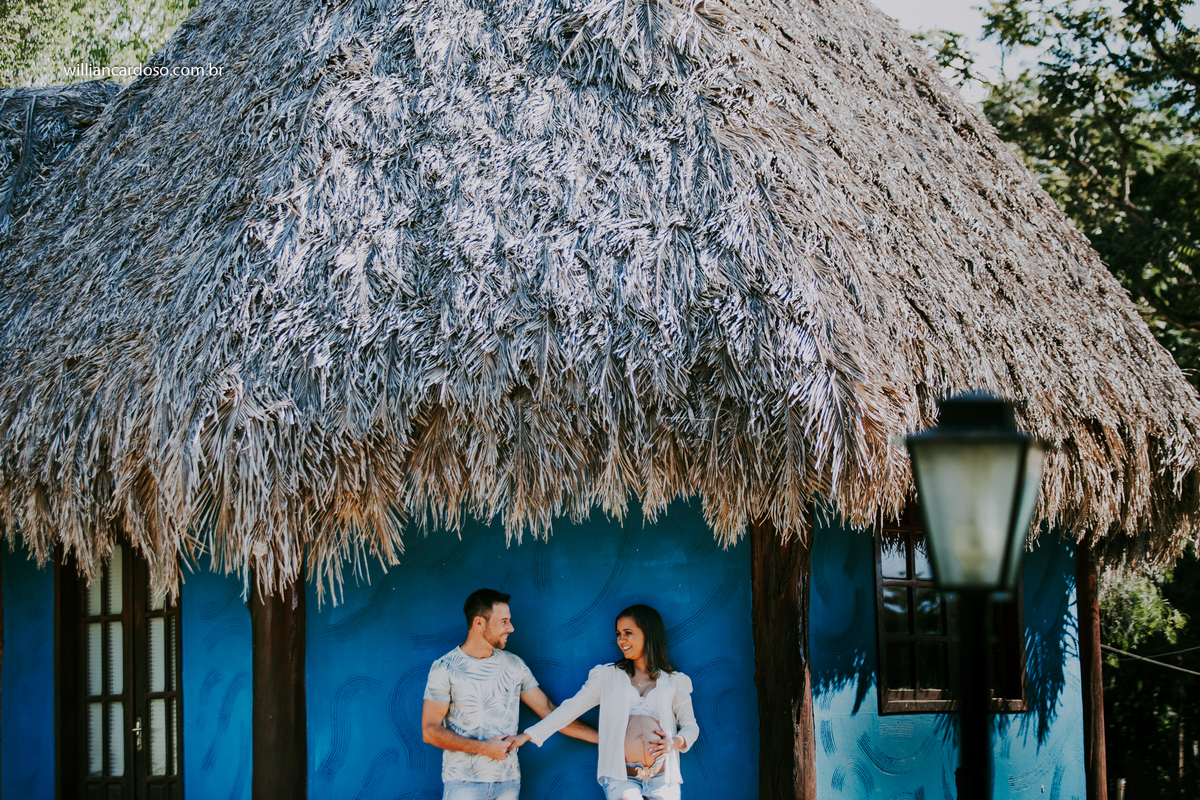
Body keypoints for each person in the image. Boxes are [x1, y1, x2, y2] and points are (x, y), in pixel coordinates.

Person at [422, 588, 598, 800]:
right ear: (479, 623)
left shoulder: (515, 665)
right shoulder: (444, 667)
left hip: (508, 783)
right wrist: (484, 748)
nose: (511, 628)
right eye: (504, 621)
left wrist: (604, 738)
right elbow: (430, 730)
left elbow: (550, 711)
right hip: (463, 784)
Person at [509, 604, 699, 800]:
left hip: (663, 777)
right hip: (622, 777)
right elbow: (570, 709)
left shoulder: (675, 681)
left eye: (628, 633)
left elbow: (690, 727)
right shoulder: (607, 675)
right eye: (618, 634)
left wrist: (674, 742)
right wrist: (528, 735)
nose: (621, 640)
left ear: (648, 633)